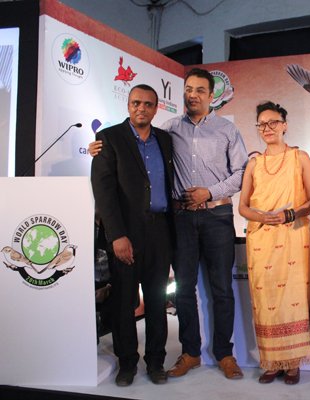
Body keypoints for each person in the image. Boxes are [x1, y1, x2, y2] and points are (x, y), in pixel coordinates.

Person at [89, 68, 248, 380]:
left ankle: (224, 353)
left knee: (221, 289)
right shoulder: (168, 130)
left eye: (200, 90)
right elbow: (130, 146)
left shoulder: (226, 130)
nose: (192, 95)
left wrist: (210, 192)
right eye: (188, 89)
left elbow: (242, 172)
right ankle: (190, 352)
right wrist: (97, 148)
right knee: (183, 290)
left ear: (212, 95)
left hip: (216, 216)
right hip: (182, 219)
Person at [91, 84, 174, 387]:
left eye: (148, 104)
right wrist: (117, 235)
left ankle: (155, 362)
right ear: (128, 105)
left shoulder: (164, 139)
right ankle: (127, 363)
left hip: (160, 231)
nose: (142, 108)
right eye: (136, 102)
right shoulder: (109, 138)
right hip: (126, 232)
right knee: (124, 302)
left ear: (155, 108)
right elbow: (104, 191)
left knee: (157, 301)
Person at [238, 101, 310, 385]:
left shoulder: (300, 157)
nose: (267, 128)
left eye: (273, 122)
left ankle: (293, 363)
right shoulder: (254, 163)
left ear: (284, 125)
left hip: (293, 235)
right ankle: (272, 361)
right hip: (262, 239)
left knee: (293, 298)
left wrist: (290, 214)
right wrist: (262, 216)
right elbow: (243, 207)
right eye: (262, 124)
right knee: (266, 299)